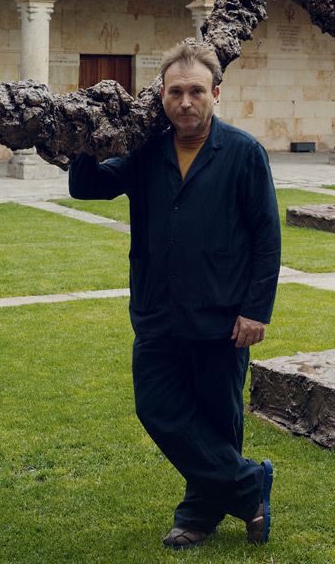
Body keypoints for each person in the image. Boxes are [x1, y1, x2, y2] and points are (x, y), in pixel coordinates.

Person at [69, 40, 281, 550]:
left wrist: (256, 310)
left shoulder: (244, 153)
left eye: (196, 91)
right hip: (156, 310)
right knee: (158, 407)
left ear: (217, 93)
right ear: (161, 96)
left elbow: (266, 236)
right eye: (175, 92)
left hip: (221, 316)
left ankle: (197, 515)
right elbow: (89, 187)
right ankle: (250, 484)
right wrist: (82, 140)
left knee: (215, 417)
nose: (185, 102)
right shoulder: (146, 152)